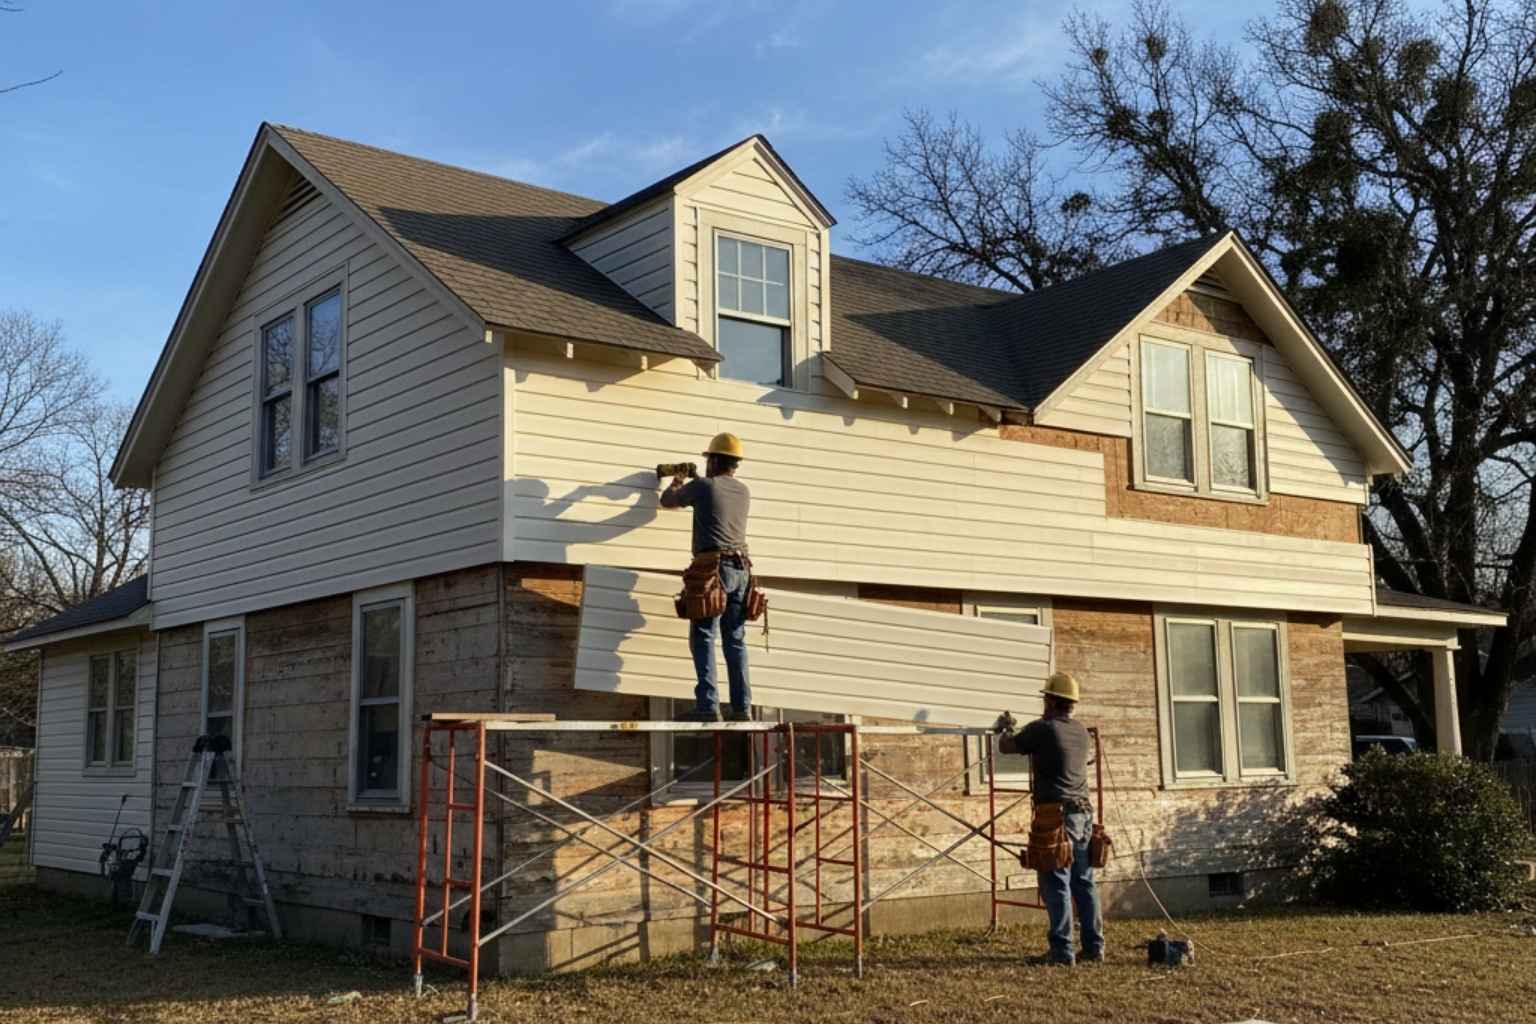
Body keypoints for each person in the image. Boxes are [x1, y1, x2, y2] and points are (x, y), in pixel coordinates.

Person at [997, 671, 1104, 966]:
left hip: (1056, 817)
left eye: (1046, 698)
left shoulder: (1043, 729)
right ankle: (1094, 948)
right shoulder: (1081, 732)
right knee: (1083, 881)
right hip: (1083, 814)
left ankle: (1061, 952)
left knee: (1055, 880)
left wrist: (1004, 729)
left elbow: (1007, 747)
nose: (1043, 703)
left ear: (1054, 701)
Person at [659, 432, 753, 722]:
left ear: (713, 460)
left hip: (714, 569)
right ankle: (742, 708)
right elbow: (714, 501)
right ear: (734, 464)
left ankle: (708, 706)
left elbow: (668, 501)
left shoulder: (703, 486)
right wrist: (697, 482)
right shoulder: (743, 490)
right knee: (734, 640)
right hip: (742, 571)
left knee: (703, 635)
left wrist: (678, 479)